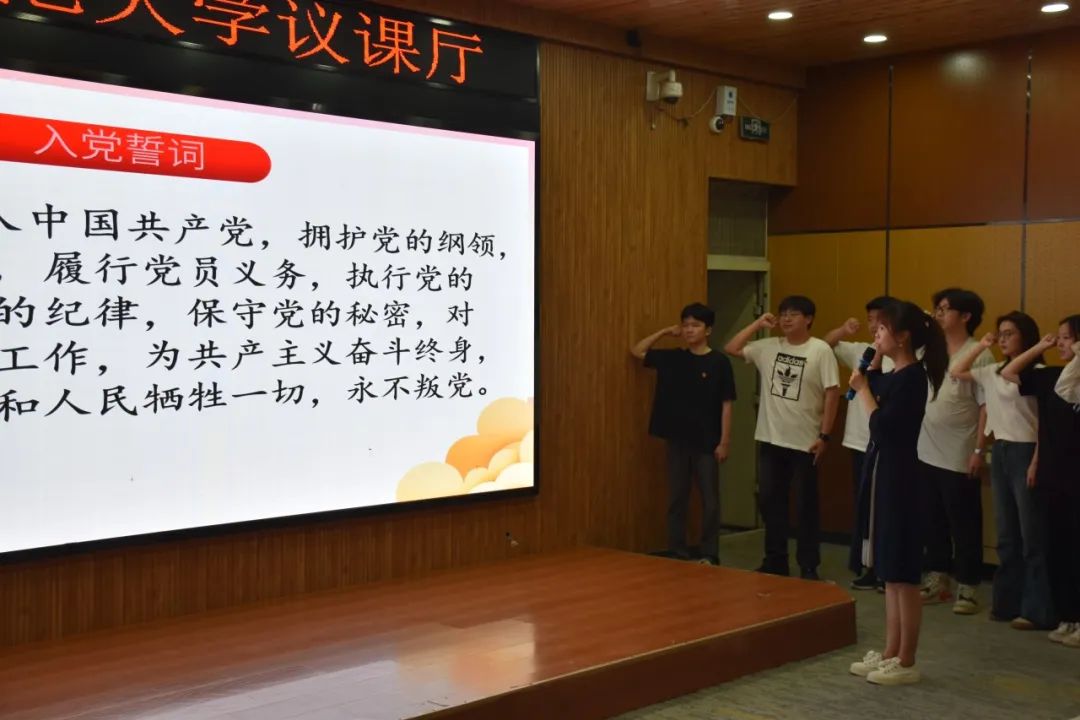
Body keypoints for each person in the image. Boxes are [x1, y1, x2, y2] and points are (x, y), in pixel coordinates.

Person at [848, 300, 948, 686]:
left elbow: (883, 427)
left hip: (902, 477)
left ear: (903, 337)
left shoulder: (913, 379)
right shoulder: (896, 375)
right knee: (889, 571)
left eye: (882, 329)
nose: (875, 334)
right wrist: (870, 368)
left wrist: (863, 389)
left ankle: (907, 659)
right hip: (884, 472)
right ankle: (891, 650)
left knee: (903, 573)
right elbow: (876, 384)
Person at [951, 312, 1055, 630]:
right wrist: (982, 344)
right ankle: (1006, 603)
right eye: (1001, 333)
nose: (1003, 338)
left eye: (1010, 333)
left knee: (1031, 534)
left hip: (1027, 450)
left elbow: (1045, 424)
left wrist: (1037, 459)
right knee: (1007, 534)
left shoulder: (1037, 374)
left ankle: (1036, 609)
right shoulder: (992, 371)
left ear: (1026, 336)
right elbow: (956, 370)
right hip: (1001, 450)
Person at [724, 295, 839, 580]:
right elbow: (731, 348)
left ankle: (808, 565)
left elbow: (832, 393)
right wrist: (757, 324)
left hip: (805, 442)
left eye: (793, 314)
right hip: (771, 439)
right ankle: (775, 560)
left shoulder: (820, 350)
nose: (786, 319)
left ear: (808, 319)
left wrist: (825, 435)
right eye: (783, 314)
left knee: (805, 506)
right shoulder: (768, 347)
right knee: (770, 502)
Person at [632, 303, 736, 565]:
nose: (689, 330)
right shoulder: (673, 357)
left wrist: (724, 441)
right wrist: (664, 332)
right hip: (677, 438)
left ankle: (710, 552)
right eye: (686, 325)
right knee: (677, 497)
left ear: (708, 330)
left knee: (710, 500)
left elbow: (727, 403)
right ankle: (677, 550)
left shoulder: (719, 362)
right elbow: (637, 351)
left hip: (707, 440)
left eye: (696, 325)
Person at [1002, 315, 1080, 648]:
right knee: (1057, 546)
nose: (1061, 343)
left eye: (1067, 338)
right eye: (1059, 337)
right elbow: (1010, 372)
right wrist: (1040, 347)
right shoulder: (1052, 376)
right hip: (1053, 473)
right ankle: (1068, 615)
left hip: (1076, 475)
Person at [918, 288, 993, 614]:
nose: (938, 314)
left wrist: (978, 449)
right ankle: (938, 578)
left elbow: (986, 407)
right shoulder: (931, 349)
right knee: (932, 519)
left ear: (965, 316)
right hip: (926, 449)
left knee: (964, 522)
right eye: (937, 308)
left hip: (960, 451)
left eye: (945, 309)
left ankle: (968, 586)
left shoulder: (980, 353)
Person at [825, 296, 896, 591]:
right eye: (870, 320)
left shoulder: (900, 357)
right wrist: (844, 330)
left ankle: (887, 568)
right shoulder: (859, 351)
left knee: (886, 509)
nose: (873, 325)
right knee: (864, 508)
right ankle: (868, 565)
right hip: (858, 442)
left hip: (886, 443)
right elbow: (825, 345)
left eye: (879, 320)